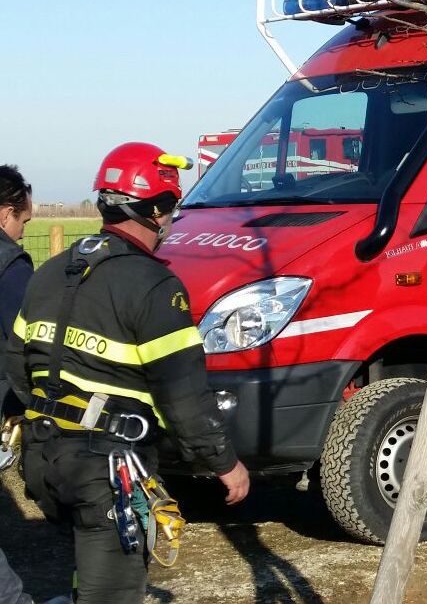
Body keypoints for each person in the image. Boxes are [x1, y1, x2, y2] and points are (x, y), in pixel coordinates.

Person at [3, 143, 250, 603]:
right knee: (111, 592)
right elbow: (183, 395)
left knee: (88, 570)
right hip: (106, 471)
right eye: (171, 208)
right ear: (158, 210)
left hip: (46, 462)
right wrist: (225, 463)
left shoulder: (51, 272)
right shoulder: (155, 285)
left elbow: (18, 366)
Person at [0, 165, 34, 415]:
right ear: (5, 215)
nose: (22, 234)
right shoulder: (11, 266)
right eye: (23, 222)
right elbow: (28, 342)